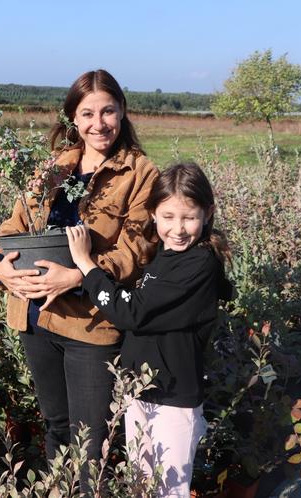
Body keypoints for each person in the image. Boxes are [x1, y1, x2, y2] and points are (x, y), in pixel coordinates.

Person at [0, 69, 159, 477]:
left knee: (89, 439)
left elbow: (137, 249)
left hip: (90, 325)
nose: (99, 124)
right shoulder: (54, 168)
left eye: (108, 111)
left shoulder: (140, 173)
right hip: (35, 316)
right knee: (57, 426)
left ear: (123, 111)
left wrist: (78, 276)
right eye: (88, 113)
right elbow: (10, 230)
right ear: (72, 120)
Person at [66, 162, 234, 497]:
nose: (179, 228)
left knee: (167, 490)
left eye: (189, 217)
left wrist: (87, 266)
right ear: (154, 214)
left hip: (172, 399)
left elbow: (132, 313)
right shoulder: (164, 255)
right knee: (143, 484)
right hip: (141, 390)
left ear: (208, 213)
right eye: (168, 216)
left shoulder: (199, 264)